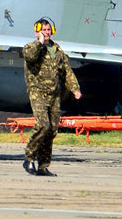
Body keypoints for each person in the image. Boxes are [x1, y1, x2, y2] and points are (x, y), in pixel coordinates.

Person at [21, 17, 80, 176]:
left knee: (52, 130)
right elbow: (31, 57)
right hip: (38, 92)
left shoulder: (57, 49)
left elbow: (67, 71)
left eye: (48, 30)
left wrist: (75, 89)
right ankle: (29, 158)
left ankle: (43, 165)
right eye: (43, 30)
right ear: (37, 32)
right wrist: (39, 42)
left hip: (54, 94)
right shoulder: (31, 47)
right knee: (43, 125)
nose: (46, 33)